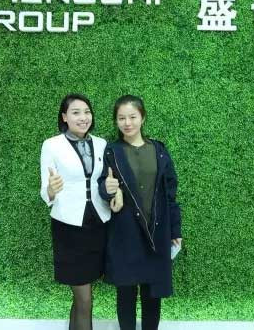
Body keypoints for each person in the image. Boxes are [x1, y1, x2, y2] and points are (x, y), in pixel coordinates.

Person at [98, 95, 182, 330]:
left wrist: (175, 230)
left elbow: (170, 193)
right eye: (121, 118)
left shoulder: (159, 150)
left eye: (132, 117)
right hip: (125, 232)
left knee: (152, 294)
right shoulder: (111, 151)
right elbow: (102, 185)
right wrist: (108, 190)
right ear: (116, 121)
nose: (127, 123)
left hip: (157, 231)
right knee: (125, 292)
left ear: (142, 118)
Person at [40, 93, 122, 330]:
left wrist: (113, 190)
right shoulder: (51, 145)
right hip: (68, 227)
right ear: (64, 117)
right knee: (84, 298)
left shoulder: (101, 144)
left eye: (87, 112)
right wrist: (52, 189)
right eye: (75, 113)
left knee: (82, 296)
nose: (83, 117)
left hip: (98, 224)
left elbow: (105, 182)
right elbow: (45, 191)